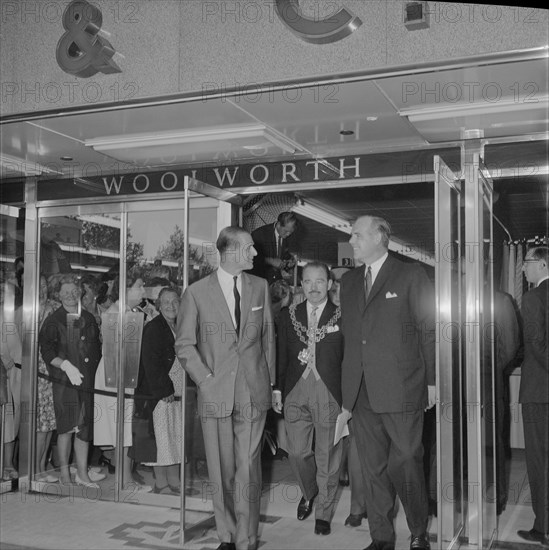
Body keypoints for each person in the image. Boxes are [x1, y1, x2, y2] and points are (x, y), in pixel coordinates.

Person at [175, 226, 275, 550]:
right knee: (221, 470)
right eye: (249, 248)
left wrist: (270, 383)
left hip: (252, 390)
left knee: (248, 467)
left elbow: (268, 338)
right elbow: (185, 345)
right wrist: (204, 379)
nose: (255, 253)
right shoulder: (196, 293)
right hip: (214, 392)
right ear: (230, 251)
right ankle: (226, 535)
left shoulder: (260, 287)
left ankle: (246, 540)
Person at [340, 215, 435, 550]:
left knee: (407, 458)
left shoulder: (411, 275)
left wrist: (433, 381)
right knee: (372, 467)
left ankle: (419, 530)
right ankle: (381, 537)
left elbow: (429, 329)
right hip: (361, 390)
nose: (351, 241)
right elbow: (350, 338)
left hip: (403, 387)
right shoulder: (348, 282)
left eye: (357, 235)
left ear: (380, 237)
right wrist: (344, 391)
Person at [274, 262, 343, 536]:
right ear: (301, 285)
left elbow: (349, 359)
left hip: (329, 390)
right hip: (294, 389)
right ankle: (309, 491)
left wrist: (349, 399)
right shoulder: (288, 315)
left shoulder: (342, 315)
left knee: (328, 454)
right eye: (308, 282)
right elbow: (280, 354)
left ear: (329, 284)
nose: (313, 287)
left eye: (319, 281)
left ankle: (324, 513)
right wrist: (277, 388)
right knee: (298, 452)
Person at [39, 274, 103, 488]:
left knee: (84, 428)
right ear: (58, 294)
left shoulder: (89, 317)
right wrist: (65, 365)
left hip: (86, 381)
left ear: (80, 293)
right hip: (64, 381)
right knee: (66, 428)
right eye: (65, 292)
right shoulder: (53, 320)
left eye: (74, 292)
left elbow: (96, 350)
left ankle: (82, 473)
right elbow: (47, 351)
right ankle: (65, 473)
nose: (70, 296)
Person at [94, 274, 147, 489]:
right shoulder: (116, 313)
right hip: (115, 376)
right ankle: (124, 480)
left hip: (123, 374)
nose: (143, 291)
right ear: (126, 290)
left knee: (124, 427)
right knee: (121, 427)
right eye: (140, 286)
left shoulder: (127, 313)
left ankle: (126, 477)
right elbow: (115, 352)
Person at [135, 287, 183, 494]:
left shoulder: (181, 326)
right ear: (158, 305)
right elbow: (150, 363)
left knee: (175, 437)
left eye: (175, 301)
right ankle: (161, 483)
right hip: (161, 394)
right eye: (166, 302)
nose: (171, 306)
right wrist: (164, 390)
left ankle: (175, 481)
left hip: (179, 392)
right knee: (162, 440)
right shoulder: (154, 328)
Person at [517, 246, 549, 547]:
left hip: (539, 392)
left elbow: (536, 344)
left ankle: (543, 527)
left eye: (527, 263)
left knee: (539, 461)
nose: (523, 269)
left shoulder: (532, 298)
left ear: (541, 264)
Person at [35, 274, 59, 483]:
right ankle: (35, 468)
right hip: (39, 370)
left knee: (50, 422)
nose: (42, 289)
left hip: (53, 370)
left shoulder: (54, 306)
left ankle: (43, 464)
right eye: (38, 285)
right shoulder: (28, 310)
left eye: (44, 285)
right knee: (41, 423)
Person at [0, 273, 22, 481]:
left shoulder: (6, 318)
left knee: (8, 423)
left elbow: (16, 351)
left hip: (7, 376)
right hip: (5, 373)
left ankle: (7, 465)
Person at [250, 212, 299, 284]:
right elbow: (251, 258)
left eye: (290, 232)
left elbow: (284, 256)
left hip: (276, 283)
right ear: (278, 224)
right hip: (259, 281)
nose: (288, 234)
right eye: (286, 231)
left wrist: (287, 264)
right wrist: (270, 261)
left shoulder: (289, 236)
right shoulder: (259, 234)